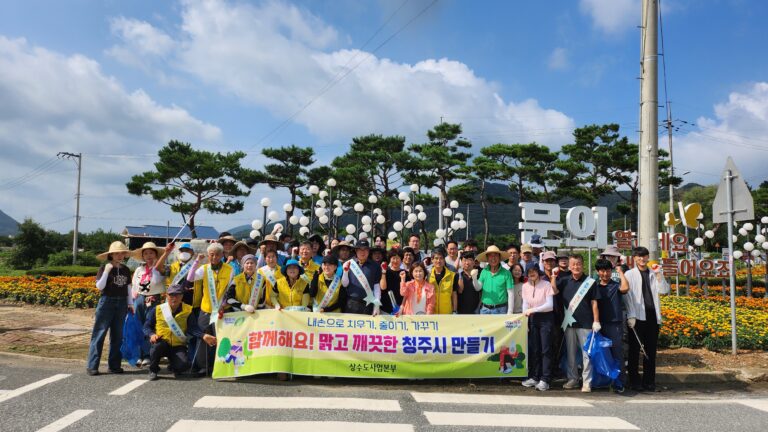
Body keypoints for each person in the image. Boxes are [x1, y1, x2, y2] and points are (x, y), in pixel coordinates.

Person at [624, 246, 670, 392]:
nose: (642, 259)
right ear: (634, 258)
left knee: (650, 350)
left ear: (648, 257)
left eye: (644, 256)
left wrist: (659, 275)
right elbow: (628, 297)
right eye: (639, 256)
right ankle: (634, 381)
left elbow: (664, 290)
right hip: (637, 317)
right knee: (634, 350)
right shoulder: (629, 274)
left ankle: (649, 381)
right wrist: (631, 315)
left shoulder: (654, 273)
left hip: (652, 317)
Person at [143, 284, 211, 380]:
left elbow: (192, 328)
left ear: (182, 296)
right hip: (161, 342)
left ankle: (173, 365)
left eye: (177, 295)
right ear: (166, 296)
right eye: (171, 295)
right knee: (157, 347)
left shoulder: (188, 310)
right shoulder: (157, 309)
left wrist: (203, 335)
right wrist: (152, 335)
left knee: (183, 366)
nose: (174, 298)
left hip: (178, 345)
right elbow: (146, 326)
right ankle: (153, 370)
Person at [187, 243, 234, 376]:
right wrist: (197, 261)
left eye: (217, 254)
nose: (214, 257)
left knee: (223, 337)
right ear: (208, 255)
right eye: (211, 255)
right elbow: (190, 278)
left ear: (222, 255)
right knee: (204, 337)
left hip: (223, 310)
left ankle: (221, 365)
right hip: (206, 309)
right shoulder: (204, 268)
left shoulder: (230, 269)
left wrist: (223, 305)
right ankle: (204, 367)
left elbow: (231, 289)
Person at [87, 241, 134, 376]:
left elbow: (128, 288)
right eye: (116, 253)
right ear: (111, 255)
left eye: (122, 253)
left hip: (122, 303)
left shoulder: (125, 269)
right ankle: (92, 366)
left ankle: (114, 366)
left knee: (118, 335)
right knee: (99, 333)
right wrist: (107, 271)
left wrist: (130, 304)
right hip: (107, 301)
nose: (119, 256)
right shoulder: (104, 267)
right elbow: (99, 287)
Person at [556, 254, 602, 392]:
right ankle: (573, 379)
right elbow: (553, 290)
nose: (576, 267)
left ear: (583, 265)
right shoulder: (564, 281)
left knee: (586, 354)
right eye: (573, 264)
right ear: (569, 266)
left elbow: (594, 303)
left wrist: (596, 321)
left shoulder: (590, 282)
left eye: (578, 264)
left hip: (586, 323)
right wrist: (553, 277)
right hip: (569, 323)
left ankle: (587, 382)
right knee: (570, 354)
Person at [131, 241, 168, 368]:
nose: (148, 256)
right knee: (138, 326)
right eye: (146, 253)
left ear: (156, 255)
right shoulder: (139, 269)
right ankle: (138, 354)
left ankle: (148, 355)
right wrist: (132, 300)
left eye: (151, 253)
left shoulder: (159, 268)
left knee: (150, 326)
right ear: (142, 256)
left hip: (153, 299)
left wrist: (155, 266)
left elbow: (157, 281)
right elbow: (134, 285)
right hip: (139, 299)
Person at [595, 258, 629, 392]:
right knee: (601, 354)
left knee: (617, 354)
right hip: (599, 325)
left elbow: (625, 288)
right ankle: (604, 381)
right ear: (598, 272)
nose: (605, 274)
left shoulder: (615, 285)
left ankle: (619, 383)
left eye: (608, 271)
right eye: (602, 271)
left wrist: (620, 272)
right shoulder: (595, 287)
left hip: (614, 325)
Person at [520, 266, 555, 391]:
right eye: (529, 272)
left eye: (534, 272)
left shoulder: (546, 284)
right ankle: (535, 377)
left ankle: (545, 379)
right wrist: (526, 320)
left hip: (546, 318)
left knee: (545, 349)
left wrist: (533, 310)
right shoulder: (525, 286)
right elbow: (525, 304)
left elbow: (550, 305)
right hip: (532, 319)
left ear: (538, 273)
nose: (531, 274)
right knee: (535, 349)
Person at [341, 240, 382, 315]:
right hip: (352, 303)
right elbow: (344, 284)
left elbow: (376, 286)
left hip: (369, 303)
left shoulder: (375, 266)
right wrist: (345, 272)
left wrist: (376, 305)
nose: (363, 252)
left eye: (365, 249)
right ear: (356, 251)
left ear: (368, 251)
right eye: (360, 249)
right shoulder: (348, 263)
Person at [472, 245, 514, 315]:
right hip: (485, 309)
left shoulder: (506, 273)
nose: (493, 258)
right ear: (487, 258)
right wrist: (474, 278)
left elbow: (511, 293)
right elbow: (478, 288)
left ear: (499, 257)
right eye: (490, 256)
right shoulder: (484, 271)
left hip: (501, 310)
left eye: (495, 255)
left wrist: (510, 311)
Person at [428, 247, 459, 314]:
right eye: (436, 258)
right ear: (432, 260)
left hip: (447, 313)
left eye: (441, 258)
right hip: (432, 313)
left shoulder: (452, 275)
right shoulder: (428, 275)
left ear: (444, 260)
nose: (439, 261)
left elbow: (454, 294)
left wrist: (454, 311)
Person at [379, 249, 408, 314]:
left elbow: (406, 293)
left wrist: (402, 307)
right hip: (385, 308)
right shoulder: (385, 272)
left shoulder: (406, 273)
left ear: (401, 259)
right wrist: (383, 272)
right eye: (393, 258)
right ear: (390, 259)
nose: (395, 261)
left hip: (401, 309)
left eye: (397, 258)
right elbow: (383, 287)